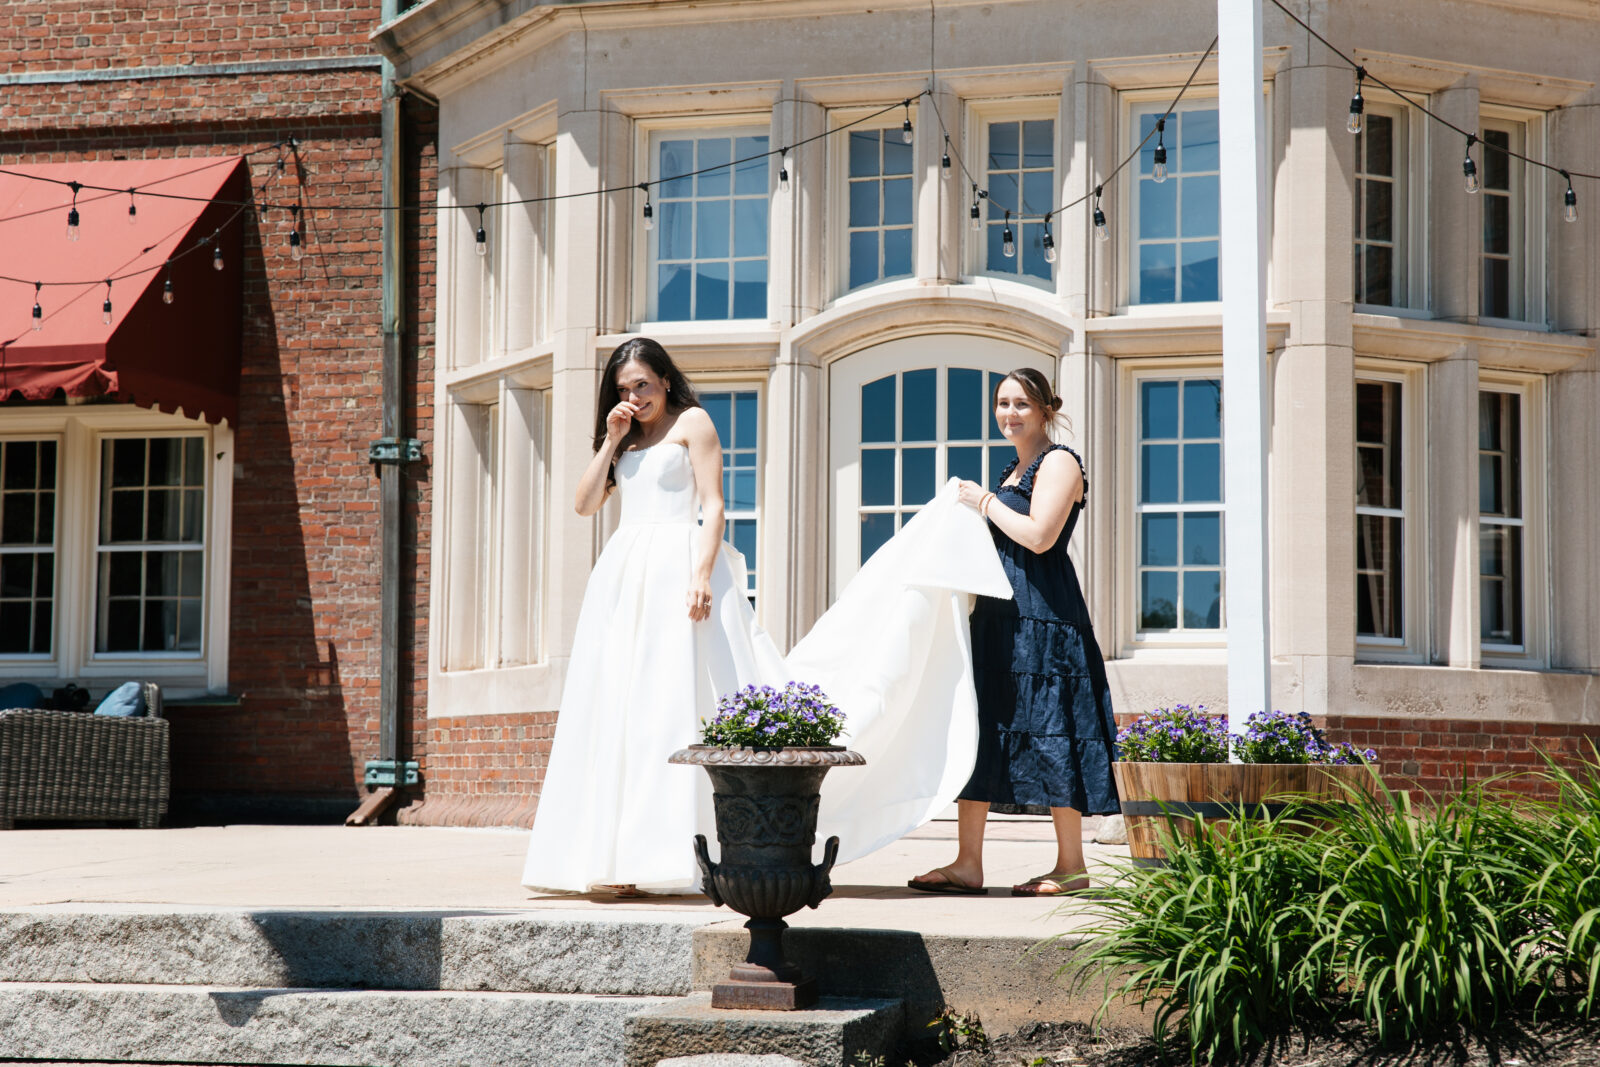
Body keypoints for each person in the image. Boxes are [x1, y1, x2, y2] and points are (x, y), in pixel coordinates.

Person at [521, 337, 784, 895]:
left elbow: (714, 505)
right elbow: (585, 504)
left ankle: (675, 852)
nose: (634, 396)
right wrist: (611, 440)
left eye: (642, 383)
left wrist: (701, 574)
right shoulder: (623, 437)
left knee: (670, 701)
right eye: (624, 388)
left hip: (678, 566)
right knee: (619, 703)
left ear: (664, 379)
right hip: (622, 575)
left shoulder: (694, 423)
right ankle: (612, 857)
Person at [908, 368, 1120, 897]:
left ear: (1047, 408)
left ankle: (1071, 866)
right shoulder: (1013, 468)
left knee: (1053, 731)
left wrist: (982, 503)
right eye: (1002, 404)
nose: (1009, 413)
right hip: (999, 618)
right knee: (980, 731)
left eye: (1021, 404)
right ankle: (968, 863)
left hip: (1045, 618)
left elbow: (1040, 537)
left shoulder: (1060, 461)